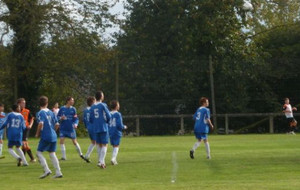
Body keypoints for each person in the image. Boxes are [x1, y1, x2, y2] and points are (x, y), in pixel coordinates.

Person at [35, 96, 63, 179]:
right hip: (53, 135)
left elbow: (40, 123)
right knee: (52, 153)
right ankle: (58, 172)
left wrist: (37, 133)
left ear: (39, 104)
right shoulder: (51, 112)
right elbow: (57, 124)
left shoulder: (40, 113)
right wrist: (53, 131)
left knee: (38, 153)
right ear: (47, 103)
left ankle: (46, 170)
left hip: (46, 135)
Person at [57, 96, 85, 161]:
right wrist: (61, 118)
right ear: (68, 101)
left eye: (73, 100)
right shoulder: (62, 108)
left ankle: (81, 154)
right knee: (61, 141)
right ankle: (64, 157)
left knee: (74, 142)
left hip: (71, 129)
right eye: (72, 100)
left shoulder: (73, 109)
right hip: (63, 128)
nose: (73, 101)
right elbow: (57, 117)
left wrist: (76, 124)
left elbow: (76, 119)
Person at [90, 91, 111, 169]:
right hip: (103, 127)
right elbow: (108, 115)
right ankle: (101, 161)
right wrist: (107, 121)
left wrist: (95, 123)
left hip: (96, 127)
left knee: (99, 144)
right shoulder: (103, 105)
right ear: (101, 96)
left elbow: (90, 119)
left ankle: (102, 163)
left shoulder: (92, 107)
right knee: (105, 144)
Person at [17, 98, 36, 162]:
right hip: (19, 130)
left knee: (24, 143)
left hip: (25, 129)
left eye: (24, 103)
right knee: (24, 144)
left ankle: (23, 159)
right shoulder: (16, 112)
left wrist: (30, 125)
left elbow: (32, 118)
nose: (24, 104)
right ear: (19, 104)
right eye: (23, 103)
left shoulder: (27, 111)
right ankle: (31, 158)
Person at [109, 100, 127, 165]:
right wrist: (124, 127)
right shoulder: (118, 114)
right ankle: (113, 159)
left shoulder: (109, 113)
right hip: (116, 131)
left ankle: (114, 159)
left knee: (114, 145)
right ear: (116, 106)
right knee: (116, 145)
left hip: (110, 131)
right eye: (118, 105)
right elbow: (119, 125)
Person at [83, 96, 96, 163]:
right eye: (94, 101)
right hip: (93, 127)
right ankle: (100, 159)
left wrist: (86, 127)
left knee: (93, 142)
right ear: (92, 102)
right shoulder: (93, 109)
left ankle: (87, 155)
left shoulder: (85, 110)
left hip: (88, 127)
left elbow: (84, 119)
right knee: (98, 143)